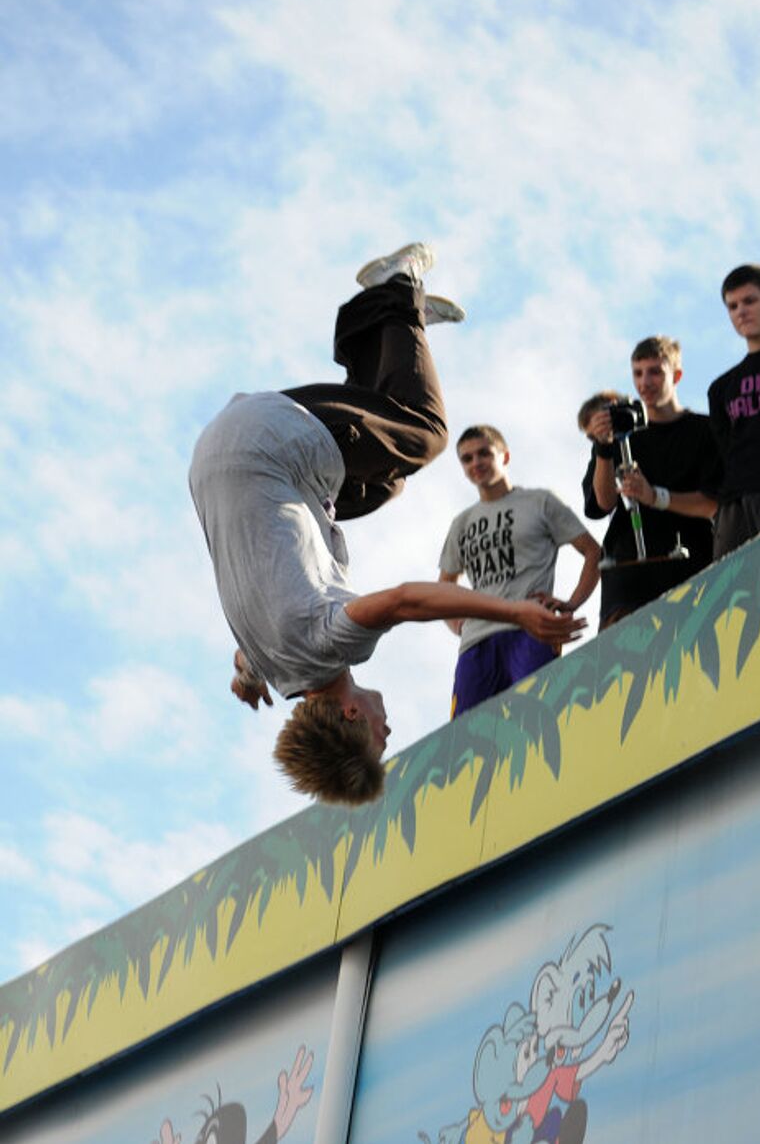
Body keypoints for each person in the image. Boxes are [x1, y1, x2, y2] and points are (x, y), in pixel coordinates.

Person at [189, 244, 585, 806]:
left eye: (378, 740)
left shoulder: (329, 648)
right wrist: (246, 676)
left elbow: (404, 601)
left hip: (269, 446)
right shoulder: (281, 670)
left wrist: (516, 611)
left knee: (424, 434)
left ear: (350, 714)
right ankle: (392, 324)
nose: (388, 731)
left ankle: (398, 288)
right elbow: (248, 654)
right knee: (384, 482)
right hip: (227, 457)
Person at [438, 425, 600, 718]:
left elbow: (593, 552)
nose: (476, 463)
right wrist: (458, 623)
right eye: (467, 458)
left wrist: (571, 603)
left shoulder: (540, 502)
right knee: (467, 734)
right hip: (476, 643)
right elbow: (444, 585)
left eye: (484, 453)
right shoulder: (461, 523)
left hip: (531, 629)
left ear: (505, 456)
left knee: (533, 719)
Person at [581, 336, 721, 628]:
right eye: (638, 373)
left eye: (655, 371)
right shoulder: (621, 434)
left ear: (677, 375)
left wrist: (656, 496)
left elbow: (714, 503)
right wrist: (603, 447)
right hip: (626, 578)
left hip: (692, 572)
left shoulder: (705, 430)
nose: (645, 382)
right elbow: (601, 504)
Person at [708, 263, 760, 557]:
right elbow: (724, 453)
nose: (741, 311)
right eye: (732, 306)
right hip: (736, 503)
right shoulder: (721, 388)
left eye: (750, 301)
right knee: (733, 595)